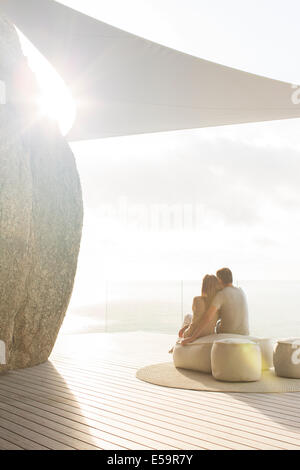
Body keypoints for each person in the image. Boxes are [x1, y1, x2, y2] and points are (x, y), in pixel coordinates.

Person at [181, 267, 249, 346]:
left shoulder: (221, 294)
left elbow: (207, 317)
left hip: (227, 333)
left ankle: (176, 345)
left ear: (219, 280)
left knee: (190, 317)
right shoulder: (241, 291)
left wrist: (193, 337)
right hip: (245, 333)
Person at [169, 274, 220, 353]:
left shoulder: (197, 300)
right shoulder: (218, 304)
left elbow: (196, 320)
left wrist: (186, 328)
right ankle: (176, 344)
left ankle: (176, 344)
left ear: (204, 286)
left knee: (188, 317)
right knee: (189, 317)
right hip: (209, 333)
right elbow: (202, 319)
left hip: (192, 333)